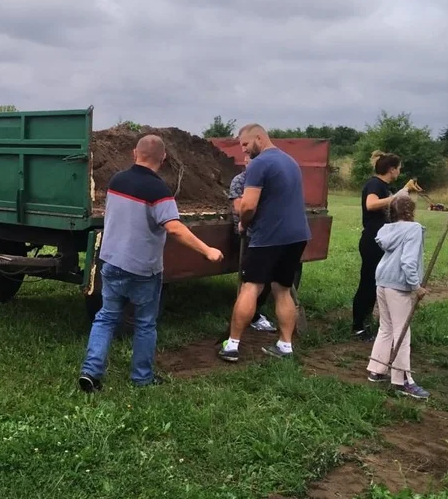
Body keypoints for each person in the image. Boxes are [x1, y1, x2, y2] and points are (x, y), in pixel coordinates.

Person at [79, 134, 224, 392]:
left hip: (111, 262)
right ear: (164, 158)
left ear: (135, 152)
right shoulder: (159, 191)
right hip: (143, 269)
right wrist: (207, 250)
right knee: (145, 323)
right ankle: (141, 378)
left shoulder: (116, 181)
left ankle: (91, 372)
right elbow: (175, 228)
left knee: (105, 318)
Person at [219, 124, 310, 361]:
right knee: (282, 289)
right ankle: (285, 345)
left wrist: (244, 224)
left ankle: (232, 345)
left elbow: (248, 205)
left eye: (246, 145)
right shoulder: (290, 161)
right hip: (297, 236)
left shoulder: (260, 163)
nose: (245, 152)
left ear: (259, 138)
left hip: (269, 236)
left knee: (251, 287)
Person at [365, 194, 431, 399]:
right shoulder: (413, 229)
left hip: (383, 280)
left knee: (386, 327)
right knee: (402, 332)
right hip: (399, 285)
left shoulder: (387, 230)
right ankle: (403, 379)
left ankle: (377, 369)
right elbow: (409, 261)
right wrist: (416, 286)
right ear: (410, 211)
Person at [351, 151, 416, 341]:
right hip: (372, 241)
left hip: (380, 242)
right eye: (398, 168)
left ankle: (367, 322)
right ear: (391, 169)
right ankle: (358, 326)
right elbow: (371, 205)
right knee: (368, 283)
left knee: (375, 282)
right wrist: (396, 197)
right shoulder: (374, 184)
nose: (399, 172)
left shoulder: (383, 186)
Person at [226, 153, 276, 334]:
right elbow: (241, 209)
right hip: (248, 234)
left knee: (267, 279)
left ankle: (255, 312)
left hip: (269, 234)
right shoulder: (239, 181)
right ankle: (247, 317)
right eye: (249, 161)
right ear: (245, 163)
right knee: (251, 280)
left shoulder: (268, 180)